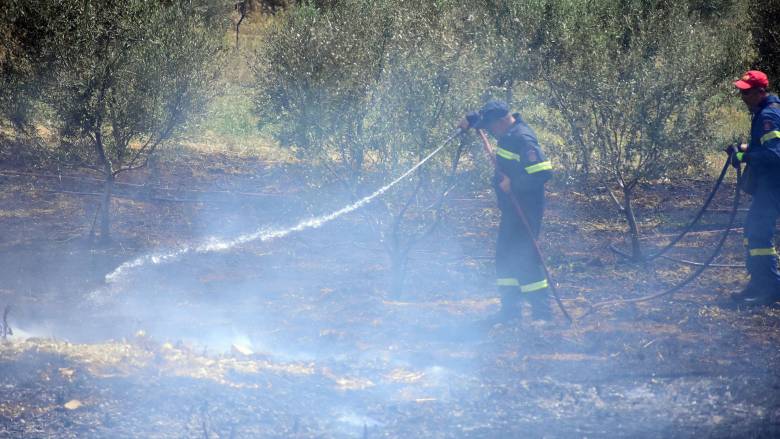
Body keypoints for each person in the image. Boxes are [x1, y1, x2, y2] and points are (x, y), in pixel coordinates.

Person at [459, 100, 554, 322]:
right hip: (511, 210)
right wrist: (471, 120)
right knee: (505, 257)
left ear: (503, 121)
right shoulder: (506, 132)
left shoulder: (522, 138)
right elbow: (482, 118)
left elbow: (543, 172)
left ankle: (542, 313)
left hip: (526, 209)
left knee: (525, 258)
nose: (490, 132)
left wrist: (514, 184)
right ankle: (510, 311)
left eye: (491, 127)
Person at [728, 70, 780, 307]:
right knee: (752, 230)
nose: (742, 96)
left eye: (746, 92)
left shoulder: (769, 114)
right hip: (768, 185)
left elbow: (774, 154)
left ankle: (770, 289)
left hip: (773, 185)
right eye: (740, 91)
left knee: (759, 233)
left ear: (760, 92)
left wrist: (744, 156)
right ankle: (758, 283)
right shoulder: (766, 111)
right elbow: (767, 144)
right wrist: (745, 148)